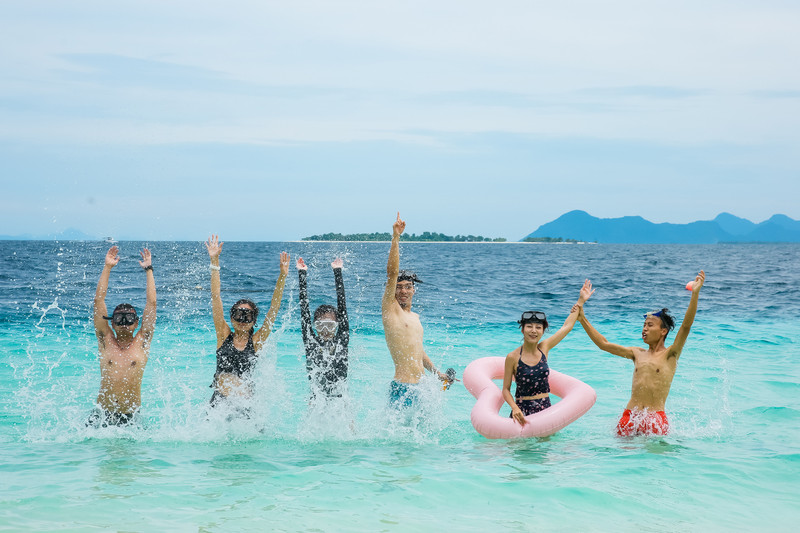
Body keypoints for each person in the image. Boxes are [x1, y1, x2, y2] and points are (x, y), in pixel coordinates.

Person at [577, 270, 706, 436]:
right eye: (644, 325)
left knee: (655, 460)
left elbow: (686, 326)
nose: (645, 329)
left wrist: (695, 293)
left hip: (655, 418)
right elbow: (604, 344)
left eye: (650, 325)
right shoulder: (637, 353)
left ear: (663, 331)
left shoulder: (670, 354)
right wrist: (583, 319)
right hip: (630, 415)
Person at [205, 235, 290, 407]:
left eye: (247, 316)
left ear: (254, 321)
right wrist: (214, 262)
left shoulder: (256, 341)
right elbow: (215, 297)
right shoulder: (223, 335)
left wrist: (282, 276)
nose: (242, 320)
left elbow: (274, 309)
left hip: (245, 405)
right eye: (238, 315)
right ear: (231, 317)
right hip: (220, 404)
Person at [382, 213, 451, 409]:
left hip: (421, 387)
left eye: (407, 286)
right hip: (401, 387)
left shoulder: (415, 317)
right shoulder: (391, 310)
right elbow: (392, 273)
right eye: (399, 287)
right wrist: (396, 238)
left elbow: (417, 351)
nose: (403, 291)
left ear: (414, 289)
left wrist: (437, 373)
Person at [502, 280, 594, 426]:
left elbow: (567, 327)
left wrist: (581, 300)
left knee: (544, 449)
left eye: (538, 327)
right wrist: (514, 408)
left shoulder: (544, 347)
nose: (533, 331)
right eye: (529, 327)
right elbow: (506, 389)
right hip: (522, 411)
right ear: (522, 329)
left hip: (545, 409)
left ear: (543, 331)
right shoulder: (513, 357)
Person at [88, 245, 156, 427]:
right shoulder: (105, 340)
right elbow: (98, 301)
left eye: (129, 318)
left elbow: (152, 304)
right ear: (111, 322)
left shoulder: (142, 341)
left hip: (130, 417)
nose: (124, 323)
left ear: (136, 323)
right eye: (119, 318)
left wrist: (149, 270)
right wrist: (107, 267)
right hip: (101, 415)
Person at [296, 256, 350, 400]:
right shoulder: (310, 341)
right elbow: (304, 310)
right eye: (320, 325)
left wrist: (337, 272)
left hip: (341, 400)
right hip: (316, 399)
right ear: (314, 325)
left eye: (330, 325)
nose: (325, 330)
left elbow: (342, 305)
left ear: (338, 325)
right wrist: (302, 274)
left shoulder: (342, 340)